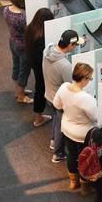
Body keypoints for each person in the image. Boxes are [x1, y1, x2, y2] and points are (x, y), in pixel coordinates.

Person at [53, 62, 98, 191]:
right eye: (89, 78)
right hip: (84, 134)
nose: (89, 81)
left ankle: (73, 182)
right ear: (83, 79)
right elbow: (95, 118)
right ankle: (85, 185)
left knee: (72, 155)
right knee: (85, 158)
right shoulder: (86, 98)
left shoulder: (64, 87)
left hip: (67, 129)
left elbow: (57, 105)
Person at [43, 30, 83, 164]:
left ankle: (54, 142)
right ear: (70, 45)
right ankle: (57, 153)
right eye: (75, 45)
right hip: (58, 100)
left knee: (56, 119)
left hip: (48, 94)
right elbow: (71, 87)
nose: (76, 47)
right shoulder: (65, 66)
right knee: (61, 126)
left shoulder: (47, 51)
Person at [25, 8, 54, 128]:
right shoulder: (40, 37)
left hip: (34, 63)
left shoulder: (31, 29)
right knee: (40, 88)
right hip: (40, 66)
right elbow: (42, 56)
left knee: (40, 87)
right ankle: (39, 117)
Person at [5, 0, 34, 104]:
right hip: (24, 46)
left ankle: (17, 91)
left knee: (16, 67)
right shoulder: (22, 17)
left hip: (12, 42)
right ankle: (21, 96)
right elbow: (29, 31)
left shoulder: (6, 10)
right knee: (24, 71)